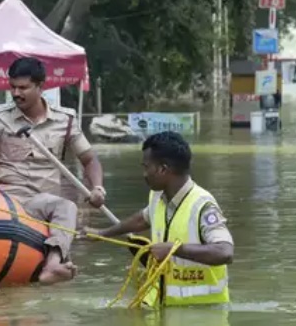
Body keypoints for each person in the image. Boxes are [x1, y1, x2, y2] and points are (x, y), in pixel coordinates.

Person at [0, 57, 106, 285]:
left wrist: (97, 187)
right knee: (65, 206)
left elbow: (90, 159)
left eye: (23, 87)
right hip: (11, 200)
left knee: (65, 206)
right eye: (13, 87)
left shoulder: (65, 120)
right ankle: (54, 264)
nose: (16, 93)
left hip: (46, 203)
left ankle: (52, 263)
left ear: (40, 86)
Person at [86, 131, 233, 307]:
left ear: (163, 169)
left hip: (201, 313)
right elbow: (142, 219)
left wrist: (174, 249)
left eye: (146, 167)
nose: (144, 174)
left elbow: (225, 252)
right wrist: (102, 234)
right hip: (161, 307)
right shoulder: (158, 197)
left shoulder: (203, 205)